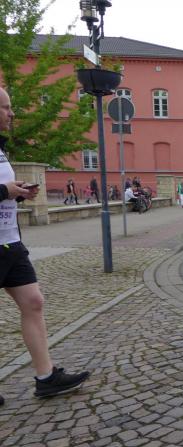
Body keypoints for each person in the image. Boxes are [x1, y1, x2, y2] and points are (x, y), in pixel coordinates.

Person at [0, 87, 90, 407]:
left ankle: (46, 377)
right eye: (6, 108)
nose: (12, 113)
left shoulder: (1, 149)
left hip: (10, 241)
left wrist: (19, 191)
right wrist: (5, 191)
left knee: (34, 302)